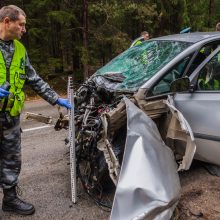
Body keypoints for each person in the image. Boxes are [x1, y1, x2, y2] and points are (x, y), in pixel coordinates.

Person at [0, 5, 71, 215]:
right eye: (21, 24)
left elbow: (34, 79)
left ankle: (10, 200)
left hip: (10, 117)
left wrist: (56, 98)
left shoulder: (20, 50)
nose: (24, 29)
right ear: (7, 22)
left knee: (12, 158)